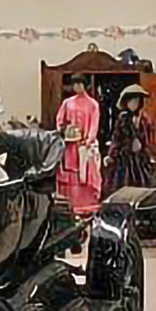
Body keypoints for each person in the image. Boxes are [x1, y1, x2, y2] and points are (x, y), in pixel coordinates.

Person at [55, 74, 101, 214]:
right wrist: (65, 131)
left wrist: (89, 139)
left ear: (84, 85)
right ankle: (70, 205)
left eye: (80, 84)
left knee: (85, 174)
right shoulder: (67, 103)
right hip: (70, 145)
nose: (77, 87)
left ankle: (87, 205)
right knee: (70, 174)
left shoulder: (93, 104)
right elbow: (59, 121)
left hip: (84, 145)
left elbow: (94, 123)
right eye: (74, 84)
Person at [104, 84, 154, 194]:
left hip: (139, 158)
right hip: (124, 158)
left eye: (136, 101)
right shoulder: (123, 119)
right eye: (131, 101)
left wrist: (147, 153)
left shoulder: (144, 119)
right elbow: (117, 138)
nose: (134, 104)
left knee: (141, 184)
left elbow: (147, 138)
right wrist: (112, 154)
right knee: (122, 183)